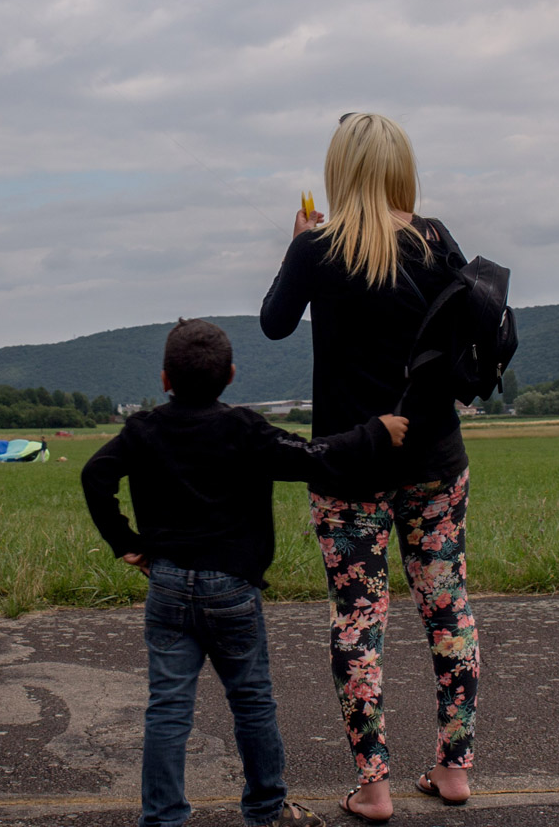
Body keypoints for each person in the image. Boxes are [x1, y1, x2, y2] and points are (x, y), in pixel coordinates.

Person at [81, 318, 409, 827]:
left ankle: (162, 817)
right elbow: (311, 457)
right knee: (252, 701)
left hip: (166, 585)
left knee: (167, 707)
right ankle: (265, 809)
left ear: (165, 378)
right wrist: (374, 433)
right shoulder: (243, 429)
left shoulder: (143, 430)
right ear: (231, 375)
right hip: (232, 587)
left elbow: (95, 475)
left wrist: (127, 544)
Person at [260, 113, 481, 823]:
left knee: (359, 621)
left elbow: (272, 322)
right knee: (448, 609)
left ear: (340, 170)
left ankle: (374, 786)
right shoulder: (437, 238)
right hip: (435, 460)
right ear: (400, 168)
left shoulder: (320, 247)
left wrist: (296, 246)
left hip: (351, 462)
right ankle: (454, 770)